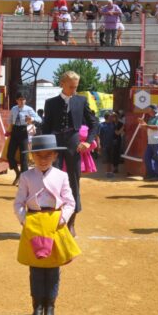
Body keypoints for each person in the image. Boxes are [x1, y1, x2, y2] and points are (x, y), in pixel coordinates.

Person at [14, 134, 80, 315]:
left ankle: (50, 307)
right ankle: (36, 307)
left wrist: (63, 218)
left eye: (47, 156)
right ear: (32, 156)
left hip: (55, 223)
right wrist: (24, 220)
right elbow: (18, 202)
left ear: (54, 156)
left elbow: (70, 202)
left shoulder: (62, 176)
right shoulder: (26, 176)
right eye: (39, 156)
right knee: (35, 269)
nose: (43, 160)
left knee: (52, 269)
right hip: (34, 223)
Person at [41, 71, 99, 237]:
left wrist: (88, 141)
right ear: (62, 84)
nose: (75, 89)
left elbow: (94, 123)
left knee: (74, 182)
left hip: (74, 144)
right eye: (71, 86)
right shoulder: (50, 103)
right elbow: (46, 127)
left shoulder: (81, 101)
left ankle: (71, 222)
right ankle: (53, 219)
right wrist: (44, 149)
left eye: (76, 86)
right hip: (55, 143)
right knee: (50, 180)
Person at [8, 92, 41, 185]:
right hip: (14, 131)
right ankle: (18, 173)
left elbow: (39, 119)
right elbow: (10, 120)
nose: (22, 101)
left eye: (23, 99)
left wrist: (32, 119)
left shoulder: (29, 109)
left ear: (25, 100)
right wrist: (9, 130)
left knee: (24, 157)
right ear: (16, 100)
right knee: (9, 155)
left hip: (24, 132)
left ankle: (24, 180)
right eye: (20, 99)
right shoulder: (13, 109)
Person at [138, 104, 158, 182]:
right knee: (147, 158)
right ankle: (151, 174)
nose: (148, 111)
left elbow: (156, 127)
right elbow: (148, 128)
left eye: (149, 110)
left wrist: (145, 125)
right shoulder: (151, 118)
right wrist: (142, 124)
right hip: (151, 141)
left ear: (154, 110)